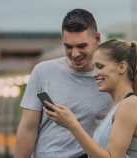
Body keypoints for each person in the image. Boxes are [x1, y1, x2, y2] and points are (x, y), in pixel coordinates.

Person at [15, 9, 112, 158]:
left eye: (81, 46)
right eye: (68, 47)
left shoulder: (109, 80)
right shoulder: (43, 72)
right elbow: (28, 129)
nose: (75, 54)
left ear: (97, 39)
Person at [44, 39, 137, 158]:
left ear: (121, 67)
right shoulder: (118, 106)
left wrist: (72, 124)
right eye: (94, 67)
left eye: (100, 67)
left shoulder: (131, 105)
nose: (94, 74)